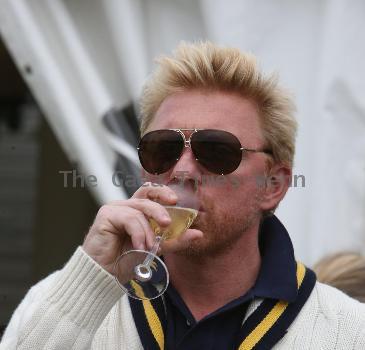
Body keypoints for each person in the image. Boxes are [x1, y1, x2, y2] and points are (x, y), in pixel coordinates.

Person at [1, 41, 365, 350]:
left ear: (273, 185)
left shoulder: (348, 331)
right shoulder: (65, 300)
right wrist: (91, 282)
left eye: (216, 151)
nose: (183, 170)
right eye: (162, 149)